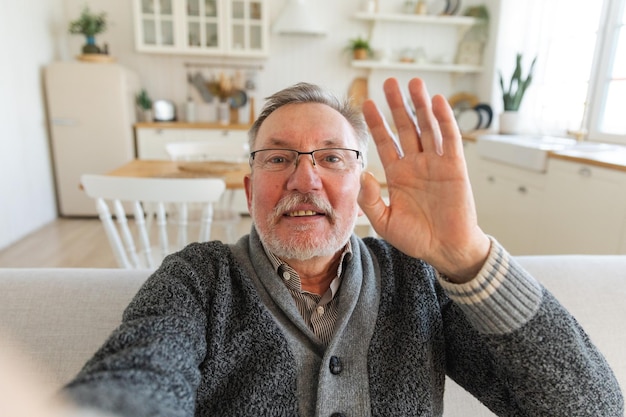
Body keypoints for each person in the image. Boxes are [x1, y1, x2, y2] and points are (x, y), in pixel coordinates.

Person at [62, 78, 623, 416]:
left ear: (361, 186)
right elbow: (136, 380)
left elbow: (590, 409)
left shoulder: (417, 280)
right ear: (250, 188)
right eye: (278, 158)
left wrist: (468, 257)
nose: (305, 181)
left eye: (332, 158)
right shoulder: (198, 280)